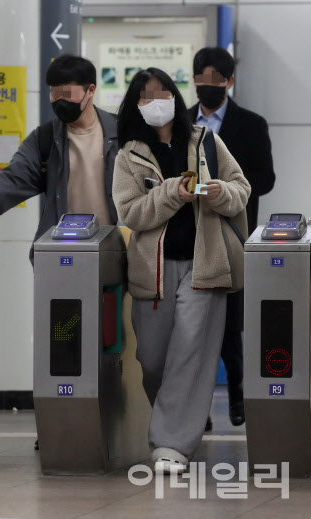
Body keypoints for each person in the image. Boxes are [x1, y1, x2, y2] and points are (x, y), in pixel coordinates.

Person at [112, 67, 250, 473]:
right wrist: (174, 192)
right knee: (153, 360)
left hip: (203, 265)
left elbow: (241, 188)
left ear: (175, 96)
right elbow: (131, 212)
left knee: (190, 350)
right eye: (145, 95)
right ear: (135, 105)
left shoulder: (205, 141)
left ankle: (171, 443)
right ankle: (174, 421)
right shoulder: (129, 156)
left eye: (162, 92)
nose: (156, 100)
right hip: (151, 272)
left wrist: (219, 192)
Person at [0, 54, 118, 262]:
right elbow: (15, 176)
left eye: (67, 93)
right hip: (63, 254)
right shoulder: (45, 138)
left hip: (117, 252)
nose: (59, 100)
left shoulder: (121, 133)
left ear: (91, 90)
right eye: (53, 93)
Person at [189, 47, 276, 427]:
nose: (208, 87)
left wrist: (226, 190)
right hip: (189, 237)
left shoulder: (251, 124)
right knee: (190, 328)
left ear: (229, 82)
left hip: (233, 235)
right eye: (201, 80)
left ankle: (238, 394)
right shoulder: (179, 123)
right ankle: (196, 408)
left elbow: (266, 179)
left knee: (230, 328)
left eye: (216, 81)